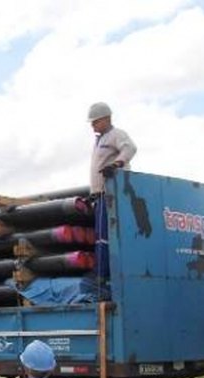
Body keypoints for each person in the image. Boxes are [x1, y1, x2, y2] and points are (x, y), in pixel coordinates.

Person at [87, 102, 136, 281]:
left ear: (107, 118)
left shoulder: (117, 134)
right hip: (100, 194)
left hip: (113, 194)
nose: (92, 126)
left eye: (95, 122)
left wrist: (117, 164)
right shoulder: (99, 140)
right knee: (100, 236)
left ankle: (106, 274)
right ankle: (101, 272)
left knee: (107, 235)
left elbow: (130, 148)